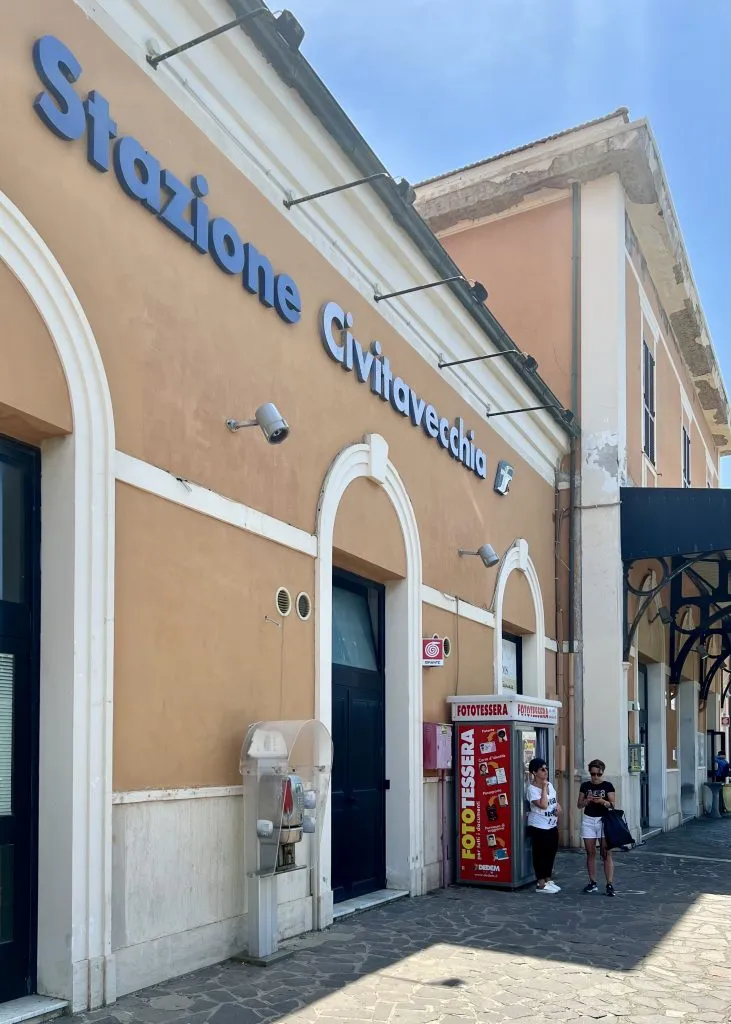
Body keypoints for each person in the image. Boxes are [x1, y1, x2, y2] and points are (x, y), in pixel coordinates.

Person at [578, 759, 616, 897]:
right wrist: (587, 800)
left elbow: (612, 805)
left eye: (598, 774)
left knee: (606, 853)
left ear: (602, 773)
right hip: (588, 820)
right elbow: (579, 805)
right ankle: (592, 882)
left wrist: (602, 801)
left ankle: (609, 883)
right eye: (593, 774)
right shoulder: (585, 785)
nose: (595, 777)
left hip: (603, 821)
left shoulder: (608, 786)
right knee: (590, 853)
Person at [526, 758, 561, 893]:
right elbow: (543, 804)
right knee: (540, 854)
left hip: (551, 824)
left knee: (550, 853)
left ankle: (548, 879)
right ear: (534, 772)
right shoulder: (532, 789)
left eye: (546, 768)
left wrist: (558, 808)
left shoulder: (550, 785)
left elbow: (553, 802)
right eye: (542, 769)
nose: (545, 771)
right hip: (539, 826)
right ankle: (540, 883)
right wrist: (544, 788)